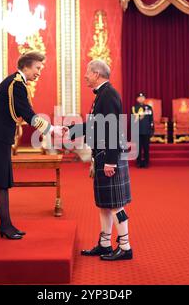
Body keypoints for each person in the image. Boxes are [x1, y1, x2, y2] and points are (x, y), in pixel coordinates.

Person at [0, 52, 66, 240]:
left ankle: (6, 225)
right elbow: (27, 114)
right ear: (26, 66)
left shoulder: (16, 82)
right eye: (37, 68)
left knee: (3, 183)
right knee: (1, 183)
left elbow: (27, 113)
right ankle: (5, 226)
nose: (39, 73)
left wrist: (51, 128)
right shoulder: (16, 84)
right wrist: (52, 130)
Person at [69, 60, 132, 261]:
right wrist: (73, 130)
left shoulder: (108, 94)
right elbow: (97, 126)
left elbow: (113, 129)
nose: (85, 75)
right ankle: (105, 244)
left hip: (109, 157)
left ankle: (125, 246)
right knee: (104, 204)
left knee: (115, 204)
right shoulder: (103, 95)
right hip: (103, 155)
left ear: (97, 74)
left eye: (87, 72)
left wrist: (111, 162)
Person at [132, 92, 154, 168]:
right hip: (138, 131)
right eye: (139, 97)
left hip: (146, 131)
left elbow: (151, 120)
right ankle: (138, 163)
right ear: (137, 99)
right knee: (138, 148)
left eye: (142, 97)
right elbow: (132, 121)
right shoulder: (134, 108)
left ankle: (146, 162)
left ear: (144, 98)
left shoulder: (149, 108)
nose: (141, 99)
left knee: (146, 148)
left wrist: (152, 130)